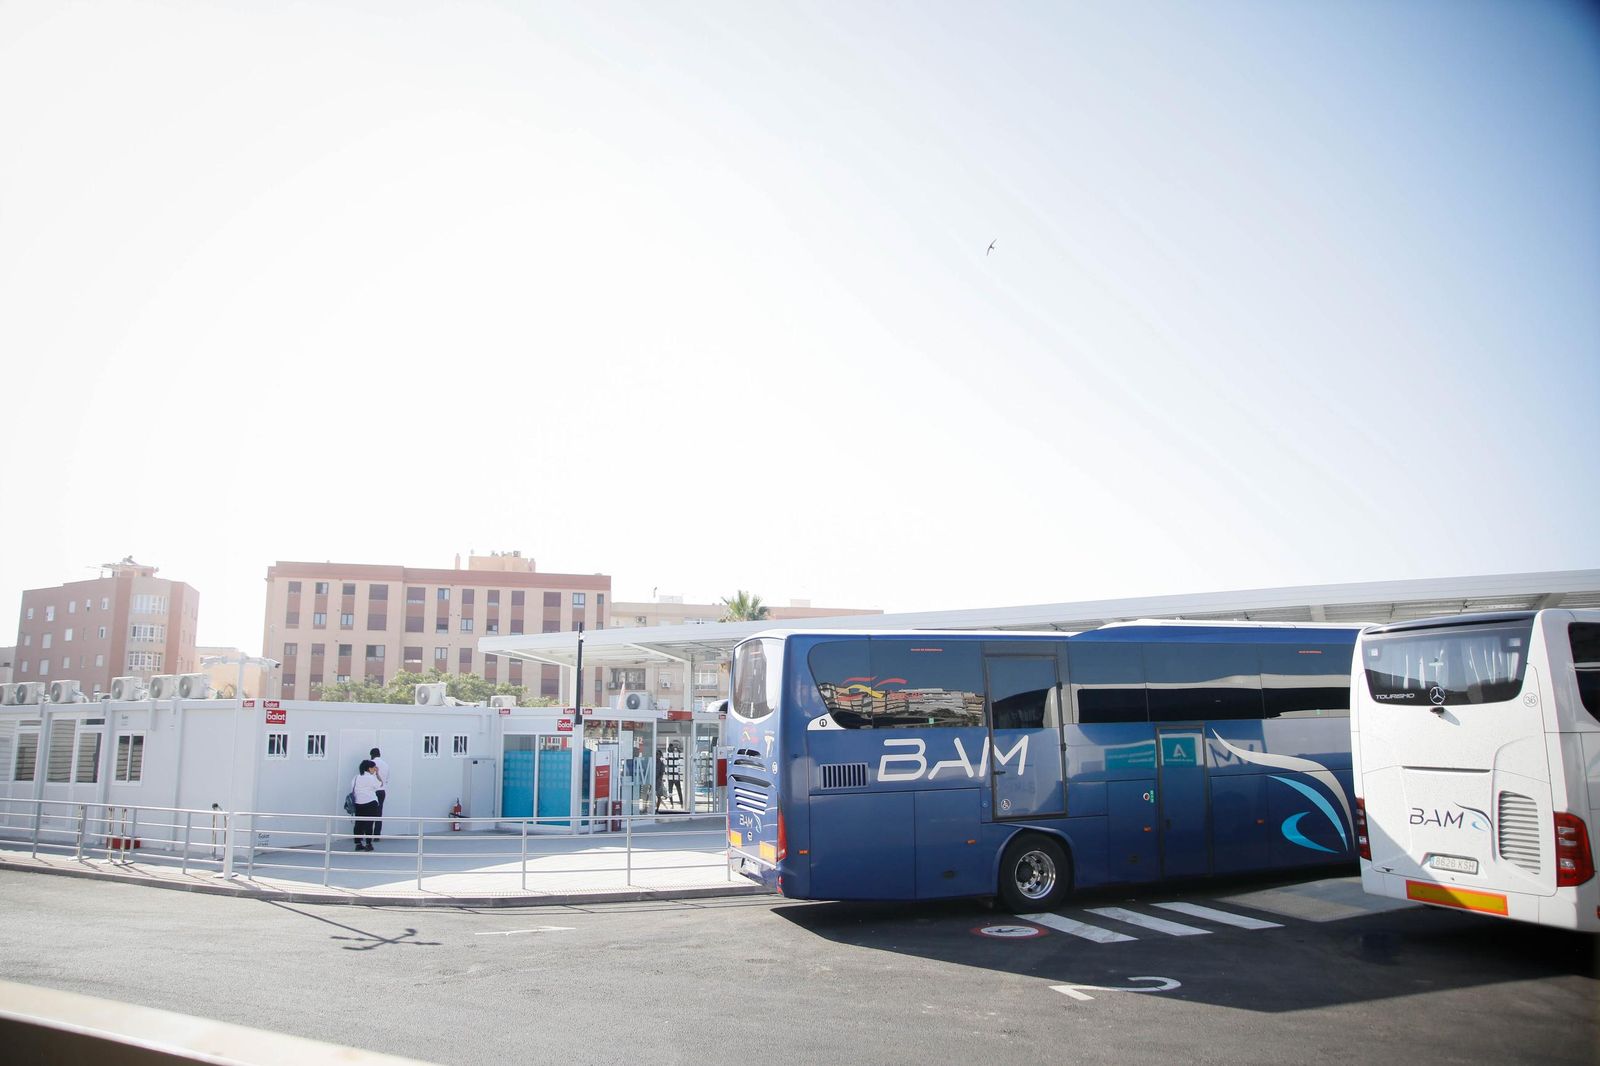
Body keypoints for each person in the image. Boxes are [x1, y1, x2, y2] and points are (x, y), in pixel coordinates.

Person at [350, 759, 382, 851]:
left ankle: (358, 843)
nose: (374, 769)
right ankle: (368, 843)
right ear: (369, 768)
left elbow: (352, 787)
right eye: (373, 768)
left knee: (358, 823)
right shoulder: (371, 778)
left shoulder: (356, 777)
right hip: (370, 802)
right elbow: (380, 784)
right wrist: (377, 773)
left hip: (358, 803)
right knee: (369, 823)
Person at [369, 747, 391, 840]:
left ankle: (367, 834)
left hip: (372, 791)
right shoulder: (386, 765)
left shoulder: (371, 764)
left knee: (369, 813)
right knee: (379, 813)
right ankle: (377, 835)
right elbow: (387, 779)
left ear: (372, 755)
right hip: (382, 791)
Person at [654, 747, 666, 812]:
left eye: (658, 754)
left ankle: (657, 809)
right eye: (656, 754)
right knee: (649, 795)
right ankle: (648, 808)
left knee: (659, 796)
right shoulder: (653, 762)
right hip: (653, 781)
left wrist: (659, 779)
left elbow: (662, 773)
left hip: (658, 781)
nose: (657, 755)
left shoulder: (661, 764)